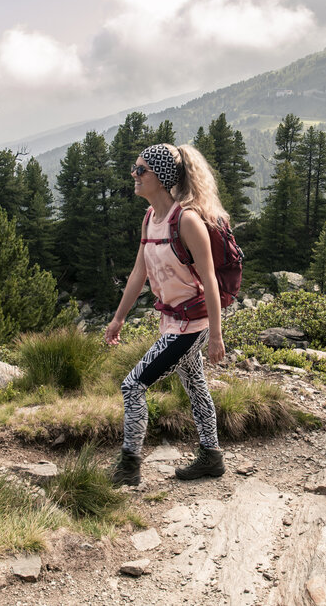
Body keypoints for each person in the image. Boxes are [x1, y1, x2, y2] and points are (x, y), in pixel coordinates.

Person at [104, 143, 228, 487]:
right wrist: (118, 319)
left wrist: (216, 335)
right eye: (135, 167)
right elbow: (137, 275)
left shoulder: (186, 221)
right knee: (195, 385)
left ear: (160, 176)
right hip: (173, 321)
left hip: (193, 324)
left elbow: (210, 280)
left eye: (140, 169)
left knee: (132, 385)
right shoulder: (150, 219)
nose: (134, 174)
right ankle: (211, 456)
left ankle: (129, 466)